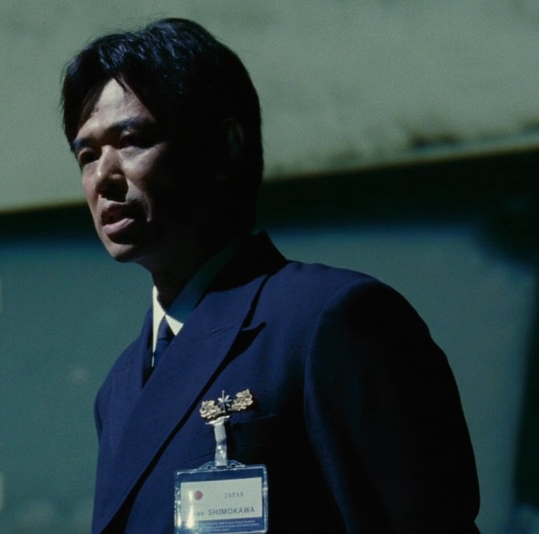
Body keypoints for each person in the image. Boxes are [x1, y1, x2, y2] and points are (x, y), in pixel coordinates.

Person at [61, 18, 480, 533]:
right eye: (87, 155)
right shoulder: (120, 388)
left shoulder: (330, 321)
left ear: (225, 147)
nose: (104, 176)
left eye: (133, 141)